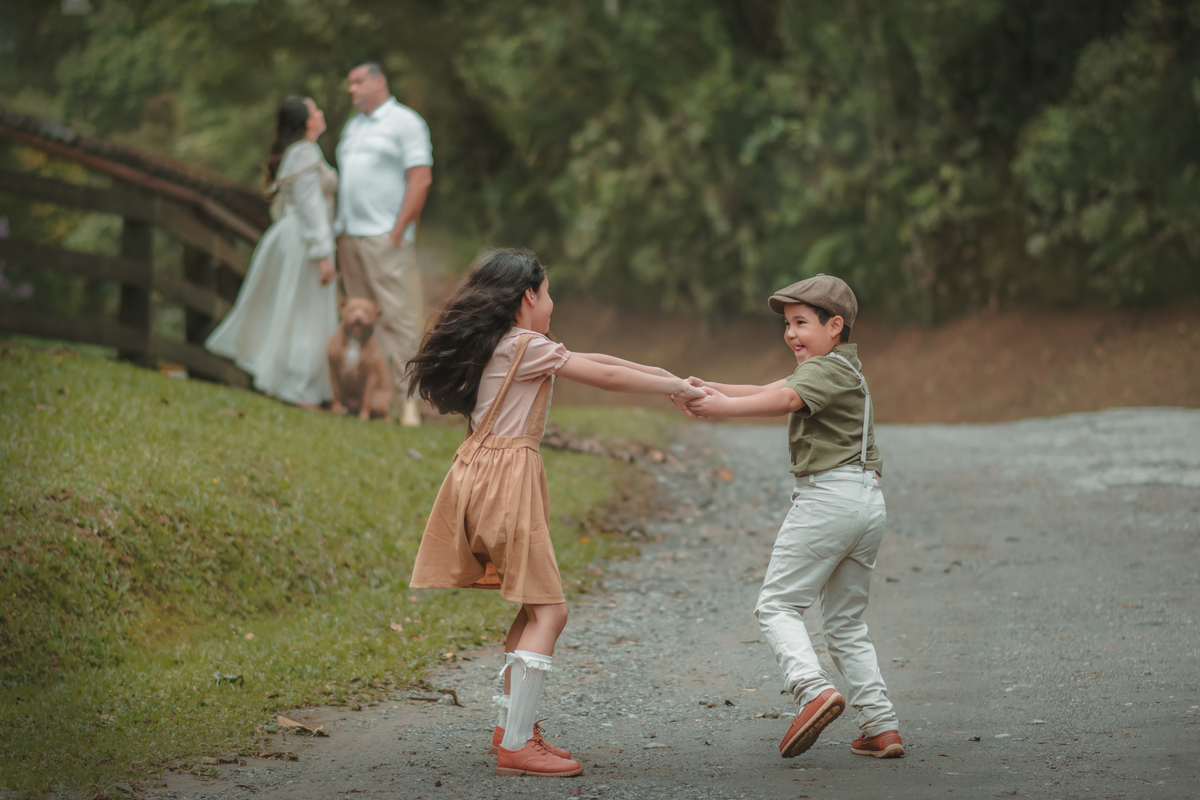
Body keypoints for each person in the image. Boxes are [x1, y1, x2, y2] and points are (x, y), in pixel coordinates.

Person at [406, 248, 704, 778]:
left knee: (531, 609)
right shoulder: (525, 344)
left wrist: (664, 375)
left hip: (481, 474)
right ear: (527, 297)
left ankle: (512, 727)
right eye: (547, 293)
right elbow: (603, 377)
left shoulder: (507, 344)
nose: (553, 303)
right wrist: (674, 386)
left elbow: (602, 363)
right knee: (551, 611)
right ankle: (517, 743)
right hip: (505, 481)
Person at [684, 274, 904, 760]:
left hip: (829, 501)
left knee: (777, 605)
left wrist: (722, 411)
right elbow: (770, 386)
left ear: (835, 325)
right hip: (865, 504)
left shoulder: (825, 371)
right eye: (787, 324)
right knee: (845, 623)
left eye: (801, 322)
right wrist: (705, 387)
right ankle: (881, 725)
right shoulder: (843, 370)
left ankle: (811, 688)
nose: (791, 334)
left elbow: (783, 399)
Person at [207, 96, 338, 408]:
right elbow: (310, 206)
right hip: (306, 241)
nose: (320, 113)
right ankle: (298, 388)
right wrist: (322, 253)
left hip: (294, 236)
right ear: (308, 121)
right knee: (306, 312)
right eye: (315, 110)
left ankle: (294, 384)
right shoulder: (305, 152)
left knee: (295, 309)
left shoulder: (297, 152)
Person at [334, 60, 433, 427]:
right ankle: (368, 400)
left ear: (379, 82)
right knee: (357, 320)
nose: (352, 89)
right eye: (349, 83)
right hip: (350, 235)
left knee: (399, 316)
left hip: (384, 236)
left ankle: (409, 402)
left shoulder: (405, 122)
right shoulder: (353, 127)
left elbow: (420, 179)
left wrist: (397, 231)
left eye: (358, 81)